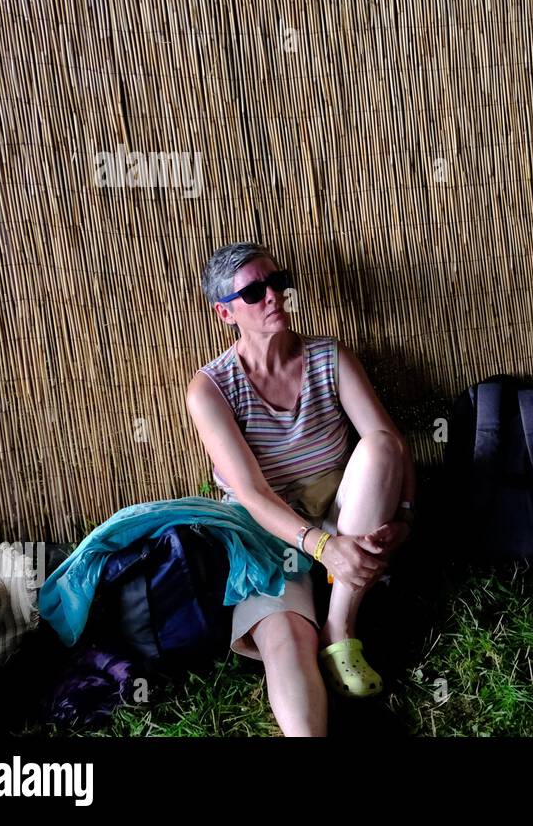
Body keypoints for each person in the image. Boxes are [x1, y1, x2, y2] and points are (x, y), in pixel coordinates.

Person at [186, 243, 415, 736]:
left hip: (342, 510)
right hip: (267, 535)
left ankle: (340, 627)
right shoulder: (211, 389)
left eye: (275, 282)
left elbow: (391, 441)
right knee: (286, 641)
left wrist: (405, 517)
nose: (272, 295)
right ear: (225, 313)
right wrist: (322, 547)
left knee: (377, 447)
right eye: (252, 291)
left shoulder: (330, 358)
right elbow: (250, 493)